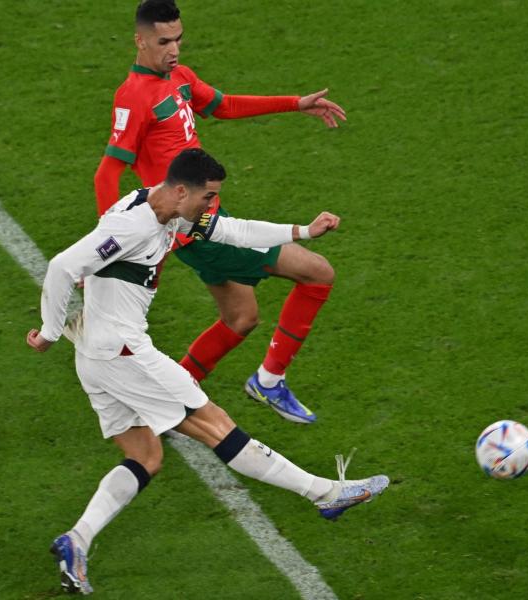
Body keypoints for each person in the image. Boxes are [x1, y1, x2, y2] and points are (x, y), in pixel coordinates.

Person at [29, 149, 388, 595]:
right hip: (123, 353)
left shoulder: (165, 209)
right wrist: (47, 332)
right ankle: (325, 494)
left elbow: (232, 230)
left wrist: (303, 231)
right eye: (208, 197)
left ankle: (76, 540)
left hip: (96, 358)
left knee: (146, 456)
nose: (211, 206)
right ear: (182, 191)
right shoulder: (135, 223)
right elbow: (64, 266)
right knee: (217, 426)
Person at [93, 0, 347, 424]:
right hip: (199, 230)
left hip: (205, 223)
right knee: (318, 274)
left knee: (241, 317)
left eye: (178, 39)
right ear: (139, 40)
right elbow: (108, 173)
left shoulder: (180, 77)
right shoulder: (133, 97)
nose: (173, 50)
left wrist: (294, 103)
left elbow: (223, 105)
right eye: (163, 42)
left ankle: (171, 401)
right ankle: (269, 380)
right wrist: (108, 247)